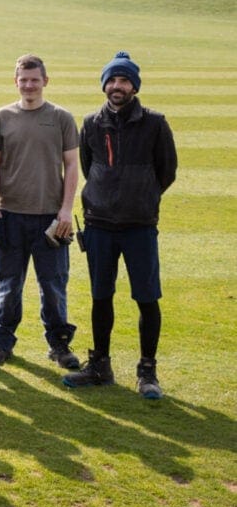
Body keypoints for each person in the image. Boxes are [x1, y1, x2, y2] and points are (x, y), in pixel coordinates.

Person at [64, 52, 177, 399]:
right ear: (104, 85)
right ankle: (100, 365)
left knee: (146, 297)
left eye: (124, 80)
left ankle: (147, 370)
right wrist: (104, 196)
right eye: (112, 80)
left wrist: (141, 196)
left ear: (134, 86)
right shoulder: (91, 123)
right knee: (101, 296)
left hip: (139, 225)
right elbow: (88, 167)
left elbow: (166, 172)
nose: (117, 86)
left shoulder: (155, 123)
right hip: (99, 225)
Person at [0, 55, 81, 369]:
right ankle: (0, 343)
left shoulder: (61, 118)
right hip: (10, 213)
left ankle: (60, 345)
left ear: (45, 81)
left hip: (50, 217)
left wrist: (66, 211)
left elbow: (71, 165)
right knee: (9, 283)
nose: (29, 85)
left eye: (34, 79)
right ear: (16, 82)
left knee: (53, 285)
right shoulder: (1, 118)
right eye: (23, 80)